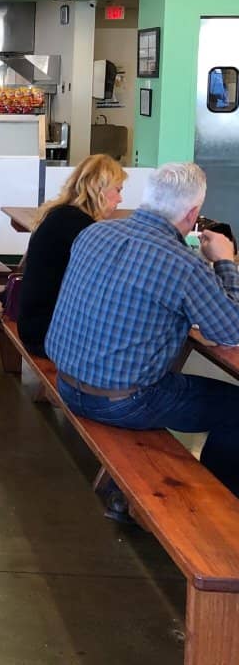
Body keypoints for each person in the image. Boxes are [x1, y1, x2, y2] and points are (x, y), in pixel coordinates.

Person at [46, 162, 239, 499]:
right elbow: (230, 331)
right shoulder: (184, 264)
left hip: (66, 382)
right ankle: (218, 503)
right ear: (193, 213)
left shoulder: (93, 234)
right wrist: (224, 260)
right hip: (120, 402)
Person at [17, 154, 125, 357]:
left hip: (34, 322)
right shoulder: (80, 227)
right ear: (99, 189)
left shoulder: (61, 214)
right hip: (48, 334)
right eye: (118, 190)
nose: (120, 199)